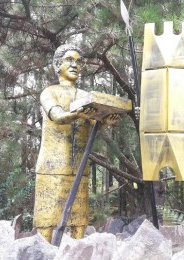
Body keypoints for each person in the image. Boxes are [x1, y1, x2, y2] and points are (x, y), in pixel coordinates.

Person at [34, 44, 118, 242]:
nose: (75, 64)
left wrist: (106, 122)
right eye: (69, 60)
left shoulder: (85, 97)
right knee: (46, 220)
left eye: (79, 61)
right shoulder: (49, 92)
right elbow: (57, 115)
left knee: (78, 221)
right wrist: (75, 113)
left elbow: (93, 126)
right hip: (52, 166)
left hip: (79, 167)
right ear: (57, 65)